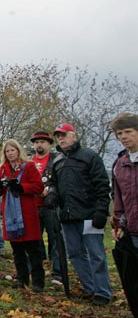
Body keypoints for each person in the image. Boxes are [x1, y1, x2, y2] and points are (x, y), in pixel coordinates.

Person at [48, 123, 111, 305]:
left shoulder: (89, 157)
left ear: (74, 136)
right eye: (58, 136)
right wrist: (52, 194)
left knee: (96, 255)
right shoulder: (58, 161)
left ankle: (103, 292)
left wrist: (101, 211)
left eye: (64, 135)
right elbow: (53, 183)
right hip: (67, 216)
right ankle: (90, 287)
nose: (61, 138)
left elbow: (102, 185)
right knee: (75, 254)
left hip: (90, 215)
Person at [0, 139, 45, 292]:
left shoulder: (28, 166)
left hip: (26, 213)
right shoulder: (1, 169)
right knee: (17, 251)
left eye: (12, 150)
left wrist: (21, 187)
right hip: (10, 215)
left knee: (33, 250)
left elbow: (38, 186)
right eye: (7, 151)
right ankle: (22, 279)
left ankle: (38, 281)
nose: (10, 153)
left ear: (18, 151)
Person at [29, 130, 63, 287]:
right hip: (33, 206)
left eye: (42, 142)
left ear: (49, 144)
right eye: (36, 142)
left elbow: (60, 181)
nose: (39, 145)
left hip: (51, 206)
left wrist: (50, 191)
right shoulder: (29, 161)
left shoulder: (57, 160)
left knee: (55, 240)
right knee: (33, 241)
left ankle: (58, 273)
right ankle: (34, 271)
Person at [110, 113, 138, 246]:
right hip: (133, 230)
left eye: (128, 131)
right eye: (119, 133)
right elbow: (119, 199)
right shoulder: (119, 164)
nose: (123, 136)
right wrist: (119, 224)